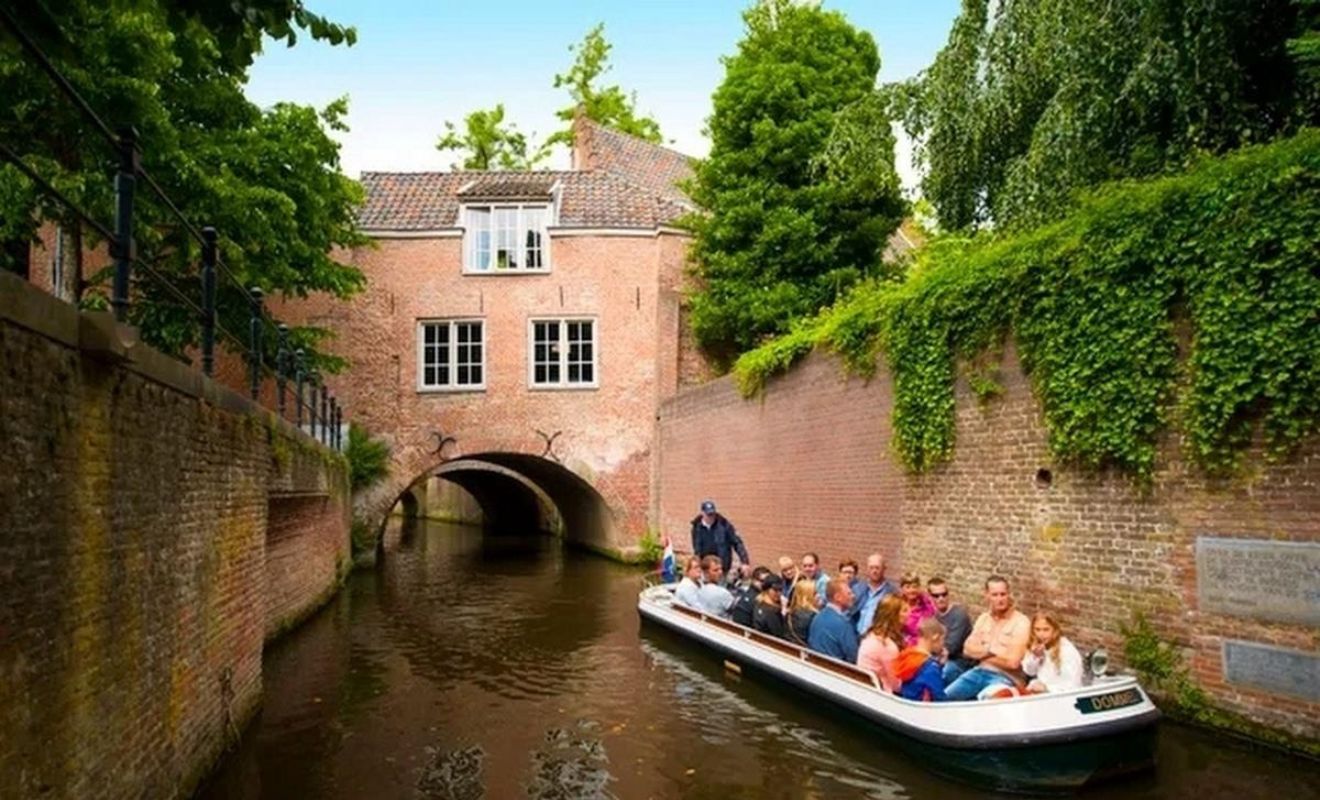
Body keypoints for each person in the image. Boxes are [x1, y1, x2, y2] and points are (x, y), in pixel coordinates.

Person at [945, 575, 1031, 701]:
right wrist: (991, 653)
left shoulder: (1021, 622)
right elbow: (967, 650)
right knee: (943, 698)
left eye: (1003, 594)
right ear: (987, 596)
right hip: (978, 672)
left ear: (1009, 595)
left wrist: (982, 654)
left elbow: (1013, 663)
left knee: (989, 704)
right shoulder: (983, 618)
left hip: (1005, 678)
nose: (1000, 599)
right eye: (995, 595)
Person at [1023, 613, 1085, 693]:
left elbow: (1072, 684)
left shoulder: (1067, 650)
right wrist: (1036, 657)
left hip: (1059, 695)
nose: (1041, 634)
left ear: (1055, 630)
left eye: (1046, 630)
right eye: (1037, 629)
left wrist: (1047, 688)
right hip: (1040, 691)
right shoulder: (1037, 645)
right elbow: (1029, 672)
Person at [928, 576, 974, 684]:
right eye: (936, 596)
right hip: (940, 656)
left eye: (944, 594)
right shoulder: (932, 615)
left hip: (960, 661)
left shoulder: (959, 614)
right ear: (930, 597)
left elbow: (951, 647)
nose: (941, 598)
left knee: (943, 672)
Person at [690, 500, 749, 581]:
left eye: (712, 514)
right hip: (705, 568)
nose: (711, 517)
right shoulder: (696, 527)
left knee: (720, 590)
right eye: (708, 515)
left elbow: (737, 543)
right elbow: (696, 547)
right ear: (702, 513)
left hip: (721, 567)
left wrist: (744, 561)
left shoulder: (724, 525)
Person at [857, 595, 905, 693]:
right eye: (904, 611)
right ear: (894, 615)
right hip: (881, 694)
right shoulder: (886, 645)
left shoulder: (870, 635)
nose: (909, 614)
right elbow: (896, 686)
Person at [894, 617, 949, 702]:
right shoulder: (930, 667)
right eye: (942, 640)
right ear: (935, 638)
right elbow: (939, 696)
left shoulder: (908, 656)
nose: (943, 644)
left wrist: (940, 665)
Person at [807, 578, 859, 663]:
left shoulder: (817, 617)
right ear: (837, 597)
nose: (853, 596)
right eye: (849, 593)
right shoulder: (843, 625)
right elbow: (853, 657)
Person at [853, 553, 898, 635]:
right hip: (856, 635)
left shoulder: (891, 592)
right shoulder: (857, 589)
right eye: (871, 568)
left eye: (877, 568)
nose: (874, 571)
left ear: (884, 569)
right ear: (867, 569)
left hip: (877, 638)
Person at [899, 572, 937, 646]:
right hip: (902, 645)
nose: (912, 590)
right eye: (908, 587)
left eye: (914, 586)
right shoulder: (897, 604)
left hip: (923, 644)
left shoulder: (926, 603)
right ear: (902, 589)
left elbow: (932, 623)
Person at [752, 575, 788, 639]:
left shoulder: (758, 602)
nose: (779, 593)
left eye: (780, 590)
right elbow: (780, 635)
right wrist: (784, 612)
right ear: (767, 589)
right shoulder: (772, 612)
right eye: (775, 590)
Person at [785, 579, 818, 646]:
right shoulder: (813, 616)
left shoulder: (790, 613)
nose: (818, 595)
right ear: (807, 596)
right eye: (815, 593)